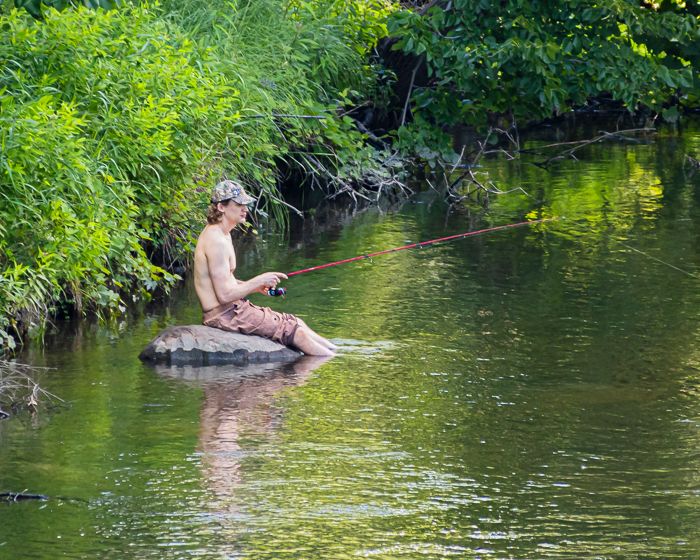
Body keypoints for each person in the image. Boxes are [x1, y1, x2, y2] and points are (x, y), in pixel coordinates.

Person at [194, 180, 337, 356]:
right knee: (296, 332)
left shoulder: (223, 234)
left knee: (295, 322)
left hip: (233, 309)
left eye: (245, 204)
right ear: (221, 207)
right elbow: (223, 295)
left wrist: (255, 287)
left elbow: (225, 281)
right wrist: (260, 279)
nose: (245, 209)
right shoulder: (215, 240)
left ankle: (339, 352)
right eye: (239, 204)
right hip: (223, 315)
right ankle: (333, 361)